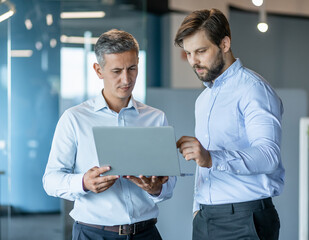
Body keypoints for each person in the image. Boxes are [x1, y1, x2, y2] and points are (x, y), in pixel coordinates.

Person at [43, 29, 176, 240]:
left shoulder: (155, 118)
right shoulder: (74, 119)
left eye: (132, 68)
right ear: (98, 70)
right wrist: (84, 183)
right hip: (94, 234)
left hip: (146, 233)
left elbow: (169, 186)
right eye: (116, 71)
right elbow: (50, 180)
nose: (126, 79)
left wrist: (156, 188)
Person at [175, 8, 285, 240]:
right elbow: (202, 164)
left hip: (245, 220)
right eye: (189, 53)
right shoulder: (203, 99)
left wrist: (213, 158)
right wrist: (197, 209)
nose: (193, 61)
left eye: (201, 51)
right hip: (205, 218)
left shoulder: (253, 89)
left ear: (224, 44)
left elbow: (268, 155)